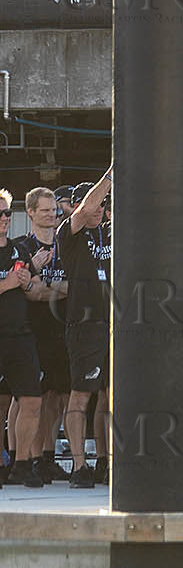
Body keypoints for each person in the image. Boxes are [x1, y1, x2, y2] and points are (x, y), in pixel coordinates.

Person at [56, 167, 111, 487]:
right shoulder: (70, 233)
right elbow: (87, 209)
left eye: (104, 205)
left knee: (110, 398)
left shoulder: (111, 231)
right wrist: (113, 173)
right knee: (81, 396)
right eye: (94, 205)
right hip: (84, 325)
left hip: (113, 325)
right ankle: (79, 466)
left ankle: (106, 461)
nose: (99, 210)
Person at [16, 188, 68, 484]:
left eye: (54, 210)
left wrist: (48, 289)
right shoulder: (23, 247)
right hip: (31, 330)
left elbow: (43, 289)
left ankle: (47, 456)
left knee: (56, 397)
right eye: (45, 210)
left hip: (61, 329)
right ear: (32, 212)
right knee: (30, 398)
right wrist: (61, 289)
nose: (51, 215)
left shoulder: (66, 244)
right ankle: (30, 459)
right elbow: (31, 293)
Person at [0, 189, 45, 487]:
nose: (5, 219)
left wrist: (29, 283)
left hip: (20, 335)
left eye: (7, 213)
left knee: (32, 400)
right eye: (0, 214)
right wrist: (7, 283)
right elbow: (8, 284)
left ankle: (23, 463)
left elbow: (37, 288)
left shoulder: (19, 249)